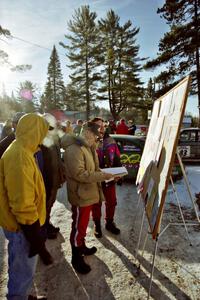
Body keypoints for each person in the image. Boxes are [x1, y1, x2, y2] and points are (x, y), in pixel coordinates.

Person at [0, 113, 50, 300]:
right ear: (34, 131)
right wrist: (33, 232)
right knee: (22, 270)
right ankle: (17, 297)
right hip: (22, 226)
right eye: (42, 131)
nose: (44, 136)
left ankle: (20, 295)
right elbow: (22, 202)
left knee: (19, 265)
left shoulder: (25, 150)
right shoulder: (20, 156)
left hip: (22, 225)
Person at [61, 121, 113, 274]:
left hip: (87, 193)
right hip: (80, 195)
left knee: (82, 226)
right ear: (88, 133)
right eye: (96, 137)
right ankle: (76, 257)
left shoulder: (88, 147)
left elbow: (93, 169)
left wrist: (108, 175)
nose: (97, 140)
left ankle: (81, 246)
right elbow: (80, 174)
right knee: (78, 227)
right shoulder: (74, 149)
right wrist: (103, 176)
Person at [91, 117, 121, 238]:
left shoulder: (111, 141)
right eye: (98, 126)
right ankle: (97, 225)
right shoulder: (90, 141)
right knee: (96, 203)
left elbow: (117, 158)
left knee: (112, 202)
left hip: (110, 178)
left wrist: (119, 173)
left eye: (103, 125)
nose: (101, 128)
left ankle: (109, 223)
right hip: (95, 179)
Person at [39, 113, 65, 239]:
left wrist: (61, 174)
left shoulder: (53, 137)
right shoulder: (40, 140)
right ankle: (43, 228)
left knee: (50, 203)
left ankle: (46, 223)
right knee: (44, 205)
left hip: (54, 178)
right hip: (46, 180)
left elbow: (57, 159)